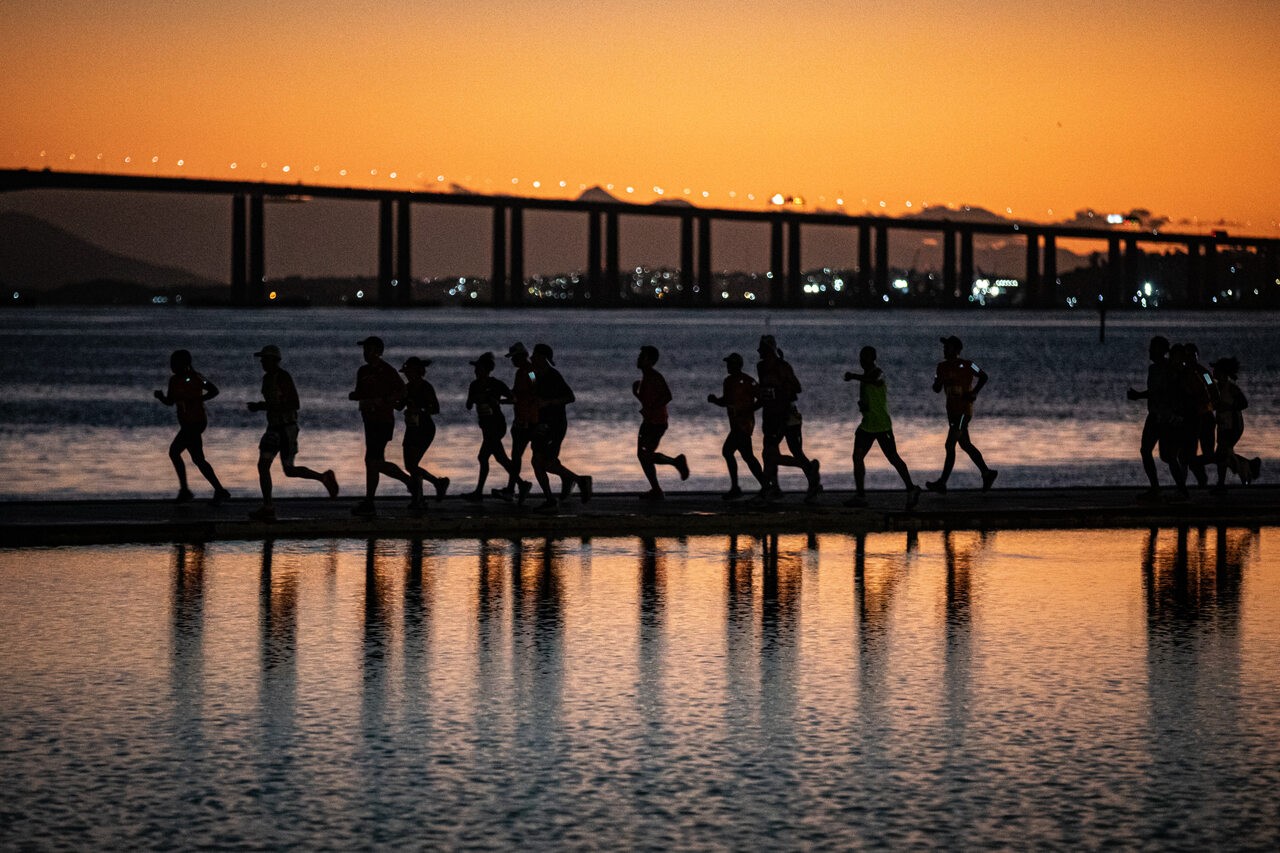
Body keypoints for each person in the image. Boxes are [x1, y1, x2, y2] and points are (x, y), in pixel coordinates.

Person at [246, 344, 338, 522]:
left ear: (275, 361)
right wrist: (263, 406)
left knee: (289, 469)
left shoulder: (283, 377)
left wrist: (262, 406)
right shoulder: (267, 379)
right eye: (262, 360)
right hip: (273, 428)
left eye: (266, 359)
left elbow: (294, 404)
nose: (262, 362)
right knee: (263, 465)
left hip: (287, 428)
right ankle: (268, 506)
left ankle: (323, 477)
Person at [843, 345, 922, 510]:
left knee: (893, 458)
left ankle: (911, 488)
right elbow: (868, 399)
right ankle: (860, 495)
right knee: (857, 457)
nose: (862, 361)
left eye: (864, 357)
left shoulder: (879, 373)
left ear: (872, 358)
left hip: (882, 426)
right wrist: (863, 406)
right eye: (860, 357)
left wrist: (854, 376)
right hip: (867, 425)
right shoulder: (864, 379)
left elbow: (875, 381)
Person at [348, 335, 414, 517]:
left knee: (373, 461)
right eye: (364, 350)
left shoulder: (387, 371)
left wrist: (386, 400)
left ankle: (407, 481)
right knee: (372, 462)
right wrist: (355, 395)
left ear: (378, 352)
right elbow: (361, 392)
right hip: (368, 421)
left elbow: (403, 390)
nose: (365, 353)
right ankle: (370, 501)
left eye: (368, 349)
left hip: (383, 421)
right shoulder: (362, 371)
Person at [154, 349, 230, 504]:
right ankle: (219, 490)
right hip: (186, 424)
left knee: (175, 452)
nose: (172, 366)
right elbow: (170, 401)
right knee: (198, 459)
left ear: (184, 364)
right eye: (171, 363)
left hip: (195, 423)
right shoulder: (173, 381)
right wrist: (161, 397)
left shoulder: (196, 378)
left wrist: (198, 399)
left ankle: (185, 490)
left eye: (175, 363)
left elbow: (214, 390)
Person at [925, 335, 997, 494]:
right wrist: (939, 382)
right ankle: (987, 473)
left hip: (964, 411)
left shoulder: (969, 365)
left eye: (948, 347)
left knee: (949, 445)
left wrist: (974, 392)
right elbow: (936, 388)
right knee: (964, 444)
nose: (944, 350)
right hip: (951, 412)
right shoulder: (941, 367)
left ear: (956, 350)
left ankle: (942, 482)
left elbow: (983, 376)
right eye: (944, 347)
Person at [526, 343, 592, 512]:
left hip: (554, 425)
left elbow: (570, 397)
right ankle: (551, 497)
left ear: (543, 358)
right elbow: (533, 387)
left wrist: (548, 402)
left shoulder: (553, 375)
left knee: (546, 463)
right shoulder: (533, 373)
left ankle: (577, 480)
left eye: (535, 355)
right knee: (537, 461)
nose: (531, 358)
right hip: (541, 424)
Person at [755, 335, 821, 502]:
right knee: (768, 453)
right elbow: (764, 393)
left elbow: (797, 389)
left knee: (793, 450)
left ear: (769, 350)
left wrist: (783, 388)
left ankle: (809, 474)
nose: (759, 352)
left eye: (762, 349)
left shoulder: (782, 367)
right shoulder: (761, 367)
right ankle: (774, 488)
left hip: (787, 415)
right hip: (769, 415)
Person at [707, 352, 765, 499]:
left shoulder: (747, 381)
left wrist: (749, 410)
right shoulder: (728, 381)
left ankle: (742, 487)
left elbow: (762, 398)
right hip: (736, 425)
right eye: (727, 364)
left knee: (730, 452)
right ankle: (765, 485)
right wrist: (715, 401)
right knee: (746, 456)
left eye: (730, 364)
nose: (727, 366)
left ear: (737, 365)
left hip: (743, 425)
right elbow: (726, 401)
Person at [633, 344, 688, 500]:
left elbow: (667, 396)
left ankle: (676, 462)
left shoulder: (654, 376)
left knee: (645, 455)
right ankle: (656, 489)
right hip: (649, 421)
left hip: (656, 422)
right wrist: (636, 394)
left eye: (641, 357)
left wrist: (652, 409)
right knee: (643, 455)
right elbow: (647, 402)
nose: (638, 359)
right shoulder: (646, 378)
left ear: (649, 360)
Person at [1200, 357, 1262, 494]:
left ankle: (1247, 467)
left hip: (1233, 425)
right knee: (1222, 455)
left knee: (1221, 454)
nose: (1213, 372)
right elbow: (1206, 379)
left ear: (1222, 372)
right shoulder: (1215, 386)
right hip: (1222, 426)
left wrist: (1229, 406)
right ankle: (1224, 483)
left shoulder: (1231, 388)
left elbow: (1244, 404)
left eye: (1216, 370)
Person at [462, 351, 519, 501]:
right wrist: (474, 399)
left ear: (486, 370)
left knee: (485, 457)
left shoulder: (497, 384)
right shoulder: (474, 385)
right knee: (497, 458)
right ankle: (519, 484)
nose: (476, 372)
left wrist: (498, 402)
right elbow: (468, 405)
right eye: (476, 369)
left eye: (479, 369)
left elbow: (513, 398)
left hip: (496, 424)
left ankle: (480, 492)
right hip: (485, 426)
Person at [1127, 335, 1177, 501]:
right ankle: (1155, 488)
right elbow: (1155, 392)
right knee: (1146, 450)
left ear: (1160, 351)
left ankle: (1181, 489)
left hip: (1164, 417)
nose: (1149, 351)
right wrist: (1140, 395)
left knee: (1167, 456)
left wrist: (1139, 395)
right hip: (1154, 414)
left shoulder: (1169, 369)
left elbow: (1162, 392)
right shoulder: (1153, 369)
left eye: (1152, 348)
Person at [399, 355, 449, 512]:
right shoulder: (407, 388)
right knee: (411, 465)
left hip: (424, 428)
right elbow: (399, 405)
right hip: (413, 428)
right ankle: (421, 496)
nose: (406, 374)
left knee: (488, 456)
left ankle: (424, 493)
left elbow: (435, 408)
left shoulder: (528, 372)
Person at [494, 342, 536, 504]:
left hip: (527, 420)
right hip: (521, 419)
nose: (512, 361)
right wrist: (505, 399)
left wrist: (517, 398)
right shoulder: (520, 373)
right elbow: (518, 396)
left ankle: (513, 488)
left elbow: (534, 389)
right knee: (516, 456)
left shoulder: (531, 372)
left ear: (521, 356)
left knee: (517, 456)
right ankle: (512, 487)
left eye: (514, 357)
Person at [1183, 342, 1217, 488]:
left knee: (1207, 452)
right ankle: (1201, 479)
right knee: (1190, 453)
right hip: (1191, 419)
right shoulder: (1182, 374)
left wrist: (1211, 406)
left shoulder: (1204, 374)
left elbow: (1213, 390)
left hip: (1205, 416)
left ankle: (1203, 474)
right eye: (1188, 356)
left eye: (1193, 355)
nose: (1191, 359)